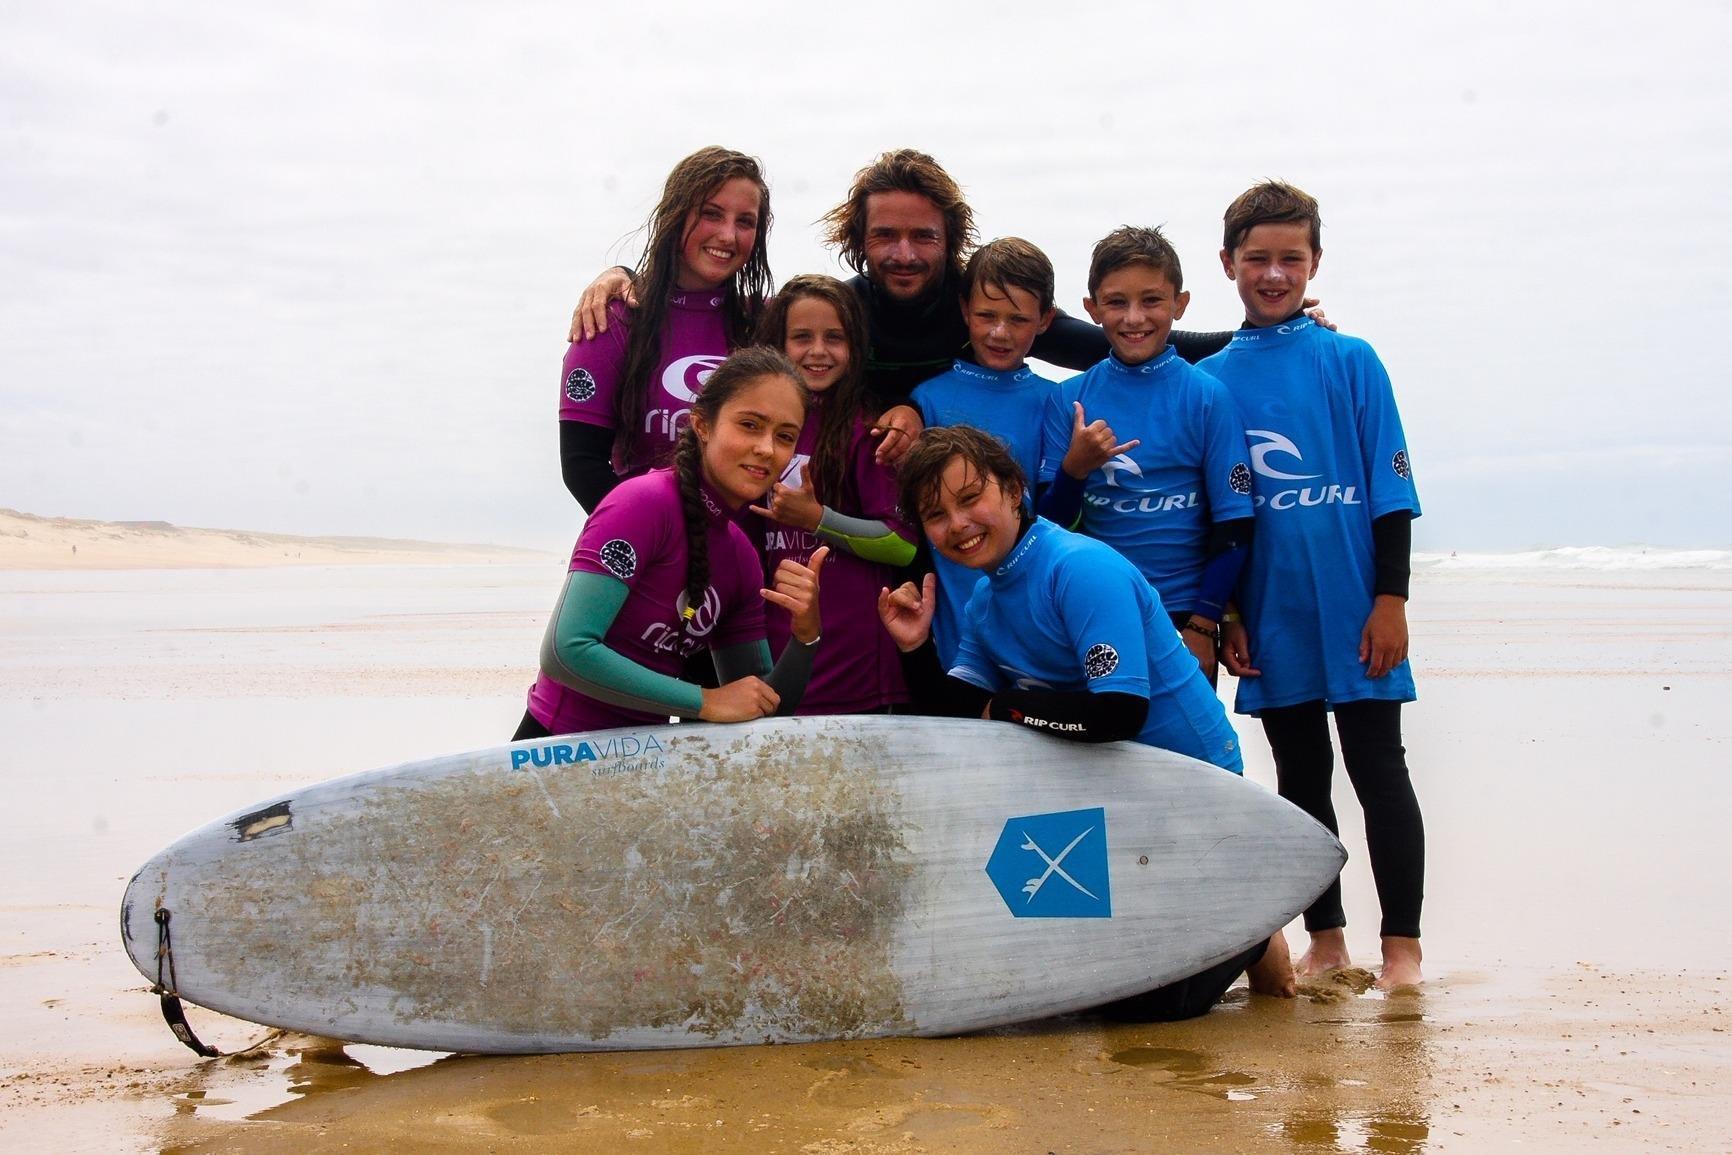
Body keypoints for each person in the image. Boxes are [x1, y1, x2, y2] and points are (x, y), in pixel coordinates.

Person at [878, 425, 1295, 1016]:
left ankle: (1254, 929)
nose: (959, 524)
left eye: (970, 499)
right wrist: (916, 649)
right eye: (936, 515)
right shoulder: (985, 602)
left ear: (1014, 490)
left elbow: (1119, 713)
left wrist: (1005, 707)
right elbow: (958, 715)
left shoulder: (1079, 569)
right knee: (1082, 996)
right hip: (1100, 792)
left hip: (1192, 791)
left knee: (1152, 1011)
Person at [568, 150, 1256, 460]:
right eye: (885, 236)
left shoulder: (981, 308)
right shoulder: (844, 312)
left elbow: (1124, 342)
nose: (904, 253)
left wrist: (1262, 332)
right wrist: (623, 272)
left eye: (923, 236)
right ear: (858, 241)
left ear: (951, 240)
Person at [1201, 180, 1425, 991]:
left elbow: (1392, 490)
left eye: (1290, 258)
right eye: (1256, 258)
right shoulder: (1211, 379)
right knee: (1300, 779)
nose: (1273, 273)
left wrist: (1391, 600)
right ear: (1227, 262)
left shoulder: (1351, 360)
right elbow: (1217, 514)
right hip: (1273, 613)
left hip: (1359, 605)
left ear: (1315, 262)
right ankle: (1326, 939)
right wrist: (1229, 611)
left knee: (1379, 769)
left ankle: (1402, 949)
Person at [516, 347, 826, 740]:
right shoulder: (642, 505)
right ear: (702, 425)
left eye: (785, 436)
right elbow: (565, 652)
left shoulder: (740, 557)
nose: (766, 448)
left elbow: (761, 708)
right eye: (750, 425)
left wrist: (806, 637)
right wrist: (704, 701)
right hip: (556, 748)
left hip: (646, 761)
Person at [1036, 226, 1255, 685]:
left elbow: (1234, 525)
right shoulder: (1068, 400)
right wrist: (1074, 470)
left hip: (1184, 616)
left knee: (1189, 736)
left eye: (1152, 300)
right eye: (1117, 302)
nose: (1134, 318)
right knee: (1107, 733)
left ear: (1180, 303)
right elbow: (1050, 527)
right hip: (1095, 607)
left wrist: (1205, 623)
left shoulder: (1207, 396)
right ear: (1092, 309)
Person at [558, 147, 773, 513]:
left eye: (745, 222)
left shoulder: (767, 323)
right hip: (647, 539)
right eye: (711, 214)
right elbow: (582, 467)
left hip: (744, 544)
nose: (728, 235)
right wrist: (666, 535)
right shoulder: (614, 320)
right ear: (675, 215)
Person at [747, 275, 916, 713]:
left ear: (856, 346)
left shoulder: (869, 430)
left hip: (856, 670)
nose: (818, 351)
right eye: (802, 337)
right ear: (777, 344)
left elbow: (902, 545)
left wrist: (816, 519)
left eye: (834, 338)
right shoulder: (754, 428)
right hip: (769, 660)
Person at [909, 237, 1063, 668]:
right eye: (986, 316)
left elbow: (1055, 518)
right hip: (951, 627)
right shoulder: (927, 399)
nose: (1000, 332)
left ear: (1045, 319)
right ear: (964, 310)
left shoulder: (1055, 400)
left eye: (1018, 319)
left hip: (1034, 619)